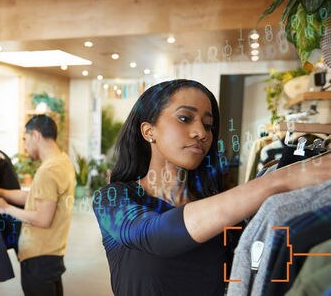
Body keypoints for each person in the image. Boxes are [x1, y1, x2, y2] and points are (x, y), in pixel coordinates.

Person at [92, 79, 331, 295]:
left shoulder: (220, 209)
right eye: (185, 118)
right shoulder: (113, 199)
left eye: (208, 125)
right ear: (148, 131)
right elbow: (156, 235)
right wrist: (276, 181)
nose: (201, 133)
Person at [0, 114, 75, 296]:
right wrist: (0, 192)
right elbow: (38, 199)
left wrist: (6, 208)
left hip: (39, 257)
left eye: (25, 139)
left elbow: (43, 218)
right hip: (51, 253)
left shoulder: (48, 170)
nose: (25, 146)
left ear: (36, 135)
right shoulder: (63, 162)